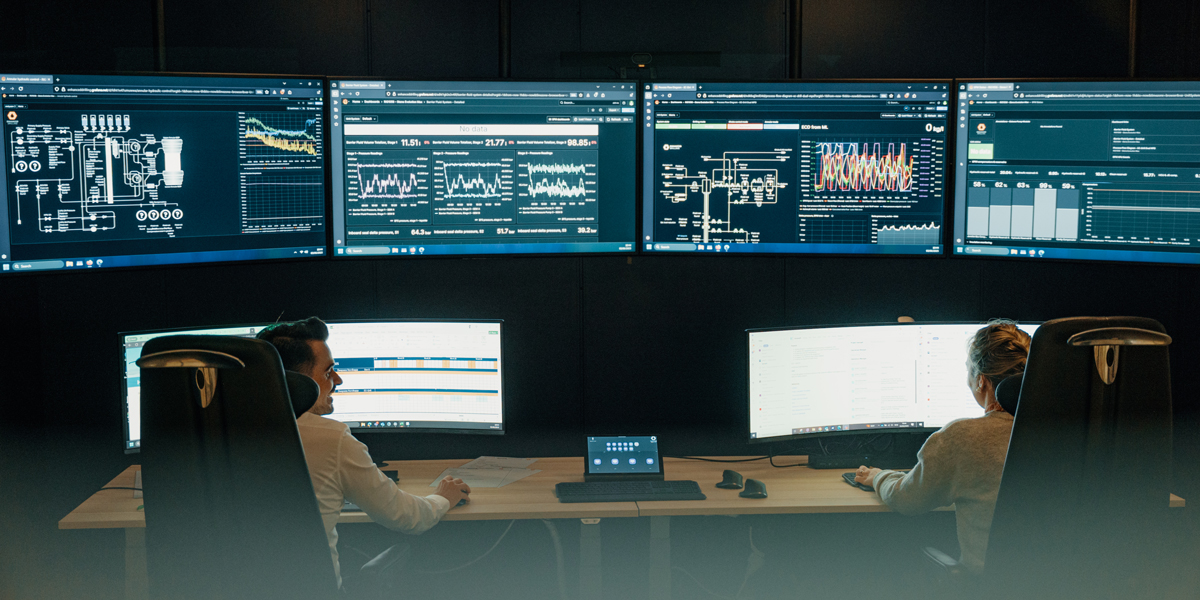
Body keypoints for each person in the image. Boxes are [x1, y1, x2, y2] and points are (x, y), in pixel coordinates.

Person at [257, 317, 471, 587]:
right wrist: (442, 498)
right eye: (328, 372)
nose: (338, 379)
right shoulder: (330, 438)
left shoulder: (217, 432)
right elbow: (406, 517)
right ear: (296, 382)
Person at [853, 318, 1032, 573]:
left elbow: (907, 499)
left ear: (981, 381)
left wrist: (878, 476)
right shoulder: (1062, 432)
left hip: (989, 584)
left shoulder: (963, 437)